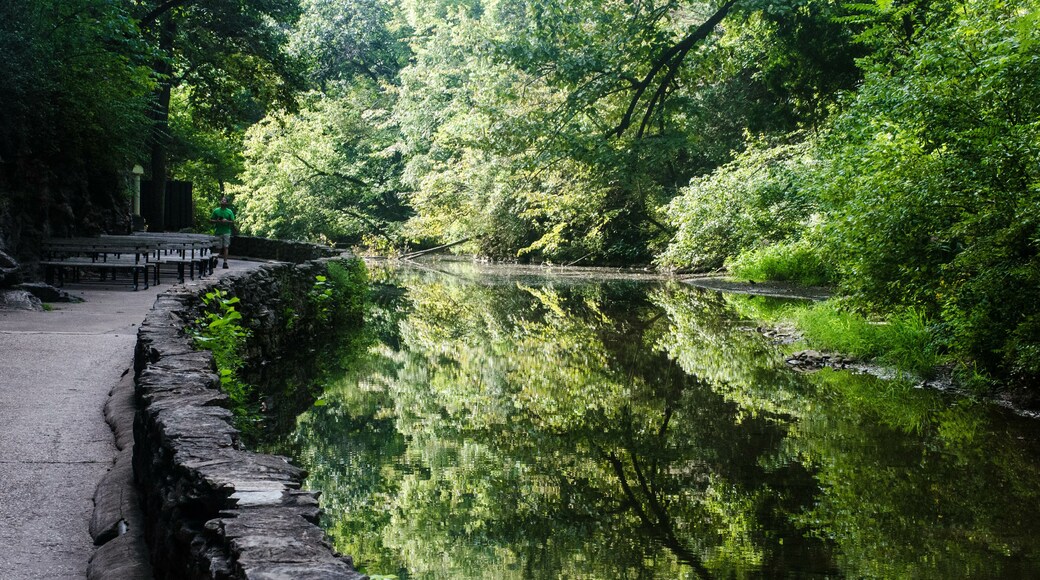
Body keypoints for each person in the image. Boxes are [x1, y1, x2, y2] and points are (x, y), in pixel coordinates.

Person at [209, 196, 235, 269]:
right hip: (218, 231)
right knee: (218, 248)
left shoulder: (229, 211)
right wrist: (217, 221)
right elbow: (210, 220)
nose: (223, 202)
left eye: (224, 201)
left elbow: (233, 221)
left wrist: (227, 221)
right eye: (222, 200)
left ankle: (225, 262)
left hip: (226, 231)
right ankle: (216, 260)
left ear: (226, 203)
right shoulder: (216, 211)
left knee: (226, 247)